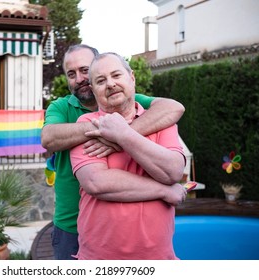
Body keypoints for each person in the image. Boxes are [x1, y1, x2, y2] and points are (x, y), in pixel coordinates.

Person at [41, 44, 186, 260]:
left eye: (84, 69)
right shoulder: (65, 110)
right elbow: (50, 139)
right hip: (75, 227)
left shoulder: (144, 107)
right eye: (72, 74)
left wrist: (120, 135)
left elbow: (174, 108)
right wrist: (103, 129)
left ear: (131, 78)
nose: (79, 78)